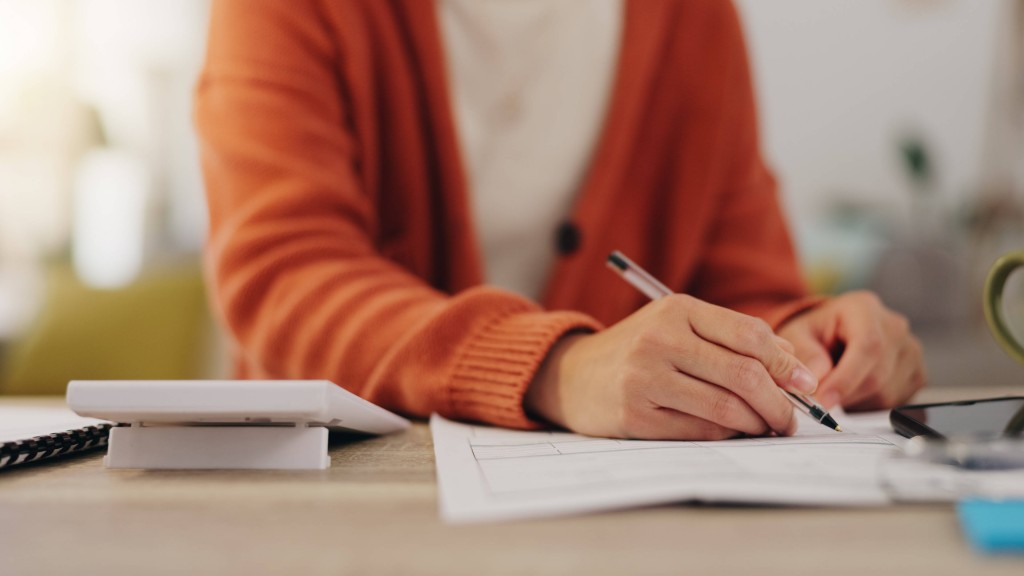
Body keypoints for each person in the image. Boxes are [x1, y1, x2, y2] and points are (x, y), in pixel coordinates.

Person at [195, 0, 926, 440]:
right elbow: (284, 273)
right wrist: (557, 368)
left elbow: (742, 282)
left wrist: (801, 342)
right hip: (333, 493)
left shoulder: (689, 19)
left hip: (613, 525)